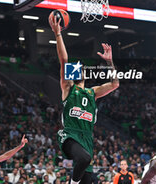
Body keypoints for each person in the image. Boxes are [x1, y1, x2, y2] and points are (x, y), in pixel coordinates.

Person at [49, 15, 119, 184]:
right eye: (76, 68)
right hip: (70, 135)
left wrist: (110, 61)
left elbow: (115, 84)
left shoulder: (92, 92)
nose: (79, 69)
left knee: (87, 173)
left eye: (82, 68)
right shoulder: (68, 88)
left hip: (86, 140)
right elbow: (64, 60)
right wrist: (58, 34)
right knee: (85, 158)